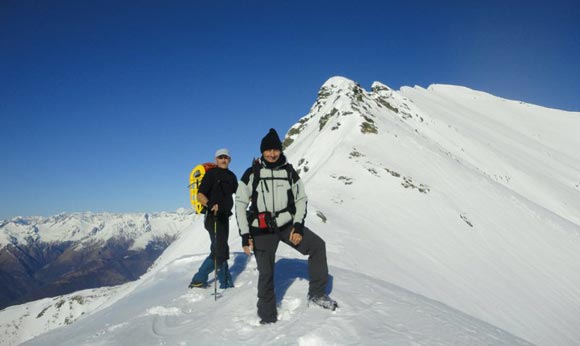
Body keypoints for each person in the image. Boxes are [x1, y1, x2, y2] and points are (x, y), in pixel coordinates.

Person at [235, 128, 338, 324]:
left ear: (280, 151)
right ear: (262, 151)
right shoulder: (252, 173)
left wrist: (298, 227)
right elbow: (240, 204)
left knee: (317, 246)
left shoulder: (289, 172)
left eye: (276, 150)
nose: (272, 154)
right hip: (261, 229)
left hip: (286, 225)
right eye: (268, 150)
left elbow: (301, 199)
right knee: (266, 273)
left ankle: (317, 295)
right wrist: (245, 235)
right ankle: (267, 317)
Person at [189, 148, 238, 289]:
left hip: (224, 217)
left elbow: (239, 192)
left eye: (226, 157)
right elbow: (200, 195)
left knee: (219, 249)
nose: (223, 160)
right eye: (220, 157)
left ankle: (201, 279)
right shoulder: (211, 175)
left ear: (229, 160)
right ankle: (223, 282)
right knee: (220, 250)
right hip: (213, 217)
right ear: (216, 159)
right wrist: (210, 204)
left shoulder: (232, 176)